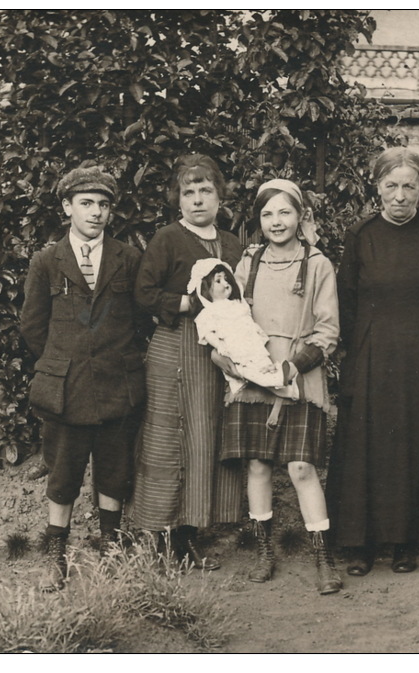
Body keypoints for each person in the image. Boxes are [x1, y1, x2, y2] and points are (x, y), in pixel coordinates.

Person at [327, 147, 419, 576]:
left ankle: (406, 541)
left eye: (409, 186)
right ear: (377, 187)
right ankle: (360, 543)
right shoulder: (361, 235)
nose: (400, 196)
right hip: (371, 354)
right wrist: (359, 351)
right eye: (391, 186)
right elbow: (346, 299)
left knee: (414, 444)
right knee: (366, 445)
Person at [21, 164, 147, 591]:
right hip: (65, 391)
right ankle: (57, 555)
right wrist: (64, 362)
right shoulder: (46, 261)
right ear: (67, 207)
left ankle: (112, 548)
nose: (96, 213)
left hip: (117, 386)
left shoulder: (128, 259)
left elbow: (141, 320)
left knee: (115, 471)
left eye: (104, 205)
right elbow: (33, 327)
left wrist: (113, 359)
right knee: (64, 473)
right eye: (86, 203)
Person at [215, 179, 342, 595]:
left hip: (297, 379)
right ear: (259, 219)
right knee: (257, 466)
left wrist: (293, 366)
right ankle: (265, 552)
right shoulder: (248, 263)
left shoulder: (317, 263)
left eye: (285, 212)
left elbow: (327, 331)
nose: (276, 221)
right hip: (252, 378)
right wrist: (228, 357)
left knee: (302, 468)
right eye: (267, 214)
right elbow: (228, 316)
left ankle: (323, 556)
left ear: (300, 215)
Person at [128, 154, 244, 570]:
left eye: (205, 191)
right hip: (177, 349)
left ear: (220, 196)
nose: (197, 200)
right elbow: (143, 293)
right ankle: (159, 536)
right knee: (170, 440)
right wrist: (189, 303)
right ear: (177, 199)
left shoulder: (232, 243)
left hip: (221, 353)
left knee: (206, 438)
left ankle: (189, 535)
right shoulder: (168, 239)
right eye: (188, 192)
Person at [189, 259, 293, 395]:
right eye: (218, 281)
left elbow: (246, 319)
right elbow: (207, 334)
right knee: (251, 372)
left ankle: (290, 389)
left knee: (264, 366)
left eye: (226, 279)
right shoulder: (208, 313)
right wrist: (221, 346)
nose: (226, 283)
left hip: (251, 344)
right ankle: (280, 379)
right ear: (205, 289)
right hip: (234, 351)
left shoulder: (237, 304)